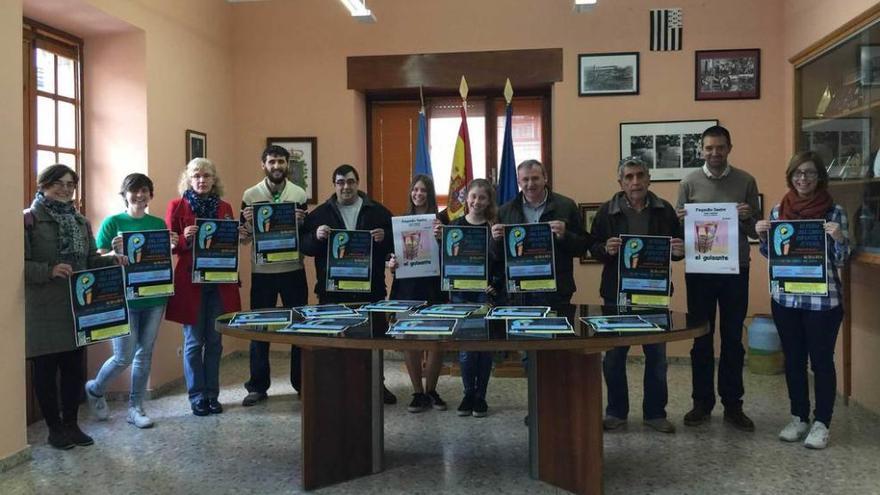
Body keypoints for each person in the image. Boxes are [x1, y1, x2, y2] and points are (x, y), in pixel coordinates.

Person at [25, 164, 124, 449]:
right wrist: (48, 270)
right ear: (44, 184)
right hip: (43, 310)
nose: (66, 189)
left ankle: (71, 424)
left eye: (71, 184)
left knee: (73, 370)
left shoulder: (81, 222)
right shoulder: (29, 220)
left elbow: (91, 259)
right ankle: (54, 429)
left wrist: (113, 259)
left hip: (78, 309)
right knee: (45, 371)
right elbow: (15, 264)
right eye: (60, 183)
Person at [756, 152, 849, 449]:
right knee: (794, 360)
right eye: (798, 173)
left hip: (823, 302)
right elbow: (771, 256)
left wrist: (839, 238)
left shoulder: (834, 212)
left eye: (809, 173)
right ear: (790, 176)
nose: (803, 179)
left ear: (819, 176)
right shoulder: (777, 210)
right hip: (786, 299)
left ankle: (822, 422)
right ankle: (799, 417)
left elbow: (842, 260)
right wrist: (761, 236)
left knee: (821, 362)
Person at [589, 157, 684, 434]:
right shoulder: (607, 211)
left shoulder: (664, 210)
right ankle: (616, 413)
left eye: (640, 175)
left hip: (654, 295)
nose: (635, 182)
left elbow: (676, 251)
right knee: (615, 358)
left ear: (649, 178)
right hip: (616, 296)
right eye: (629, 177)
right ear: (620, 182)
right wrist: (604, 248)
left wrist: (679, 252)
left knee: (657, 358)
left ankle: (655, 414)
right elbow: (592, 247)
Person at [676, 125, 760, 431]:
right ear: (701, 150)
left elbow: (754, 232)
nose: (715, 153)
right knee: (701, 338)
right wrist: (681, 222)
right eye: (709, 148)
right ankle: (701, 403)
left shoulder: (746, 181)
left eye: (720, 147)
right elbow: (678, 230)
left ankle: (733, 405)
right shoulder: (688, 183)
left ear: (729, 148)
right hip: (700, 271)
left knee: (733, 338)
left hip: (736, 270)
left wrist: (749, 216)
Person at [84, 173, 178, 429]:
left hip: (154, 297)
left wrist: (172, 245)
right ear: (125, 194)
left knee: (144, 354)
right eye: (134, 191)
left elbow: (162, 257)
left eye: (145, 191)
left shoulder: (158, 223)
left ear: (150, 194)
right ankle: (95, 389)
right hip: (123, 298)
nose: (139, 195)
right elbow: (99, 257)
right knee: (123, 357)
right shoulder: (113, 222)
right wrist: (113, 252)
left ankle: (135, 408)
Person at [301, 164, 397, 404]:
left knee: (373, 339)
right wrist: (316, 237)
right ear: (334, 185)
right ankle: (336, 386)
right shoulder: (320, 214)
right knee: (335, 341)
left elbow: (397, 242)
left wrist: (385, 237)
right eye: (341, 182)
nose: (346, 186)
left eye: (351, 181)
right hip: (333, 290)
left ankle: (377, 384)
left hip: (371, 288)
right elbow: (305, 246)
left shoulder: (378, 211)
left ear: (358, 183)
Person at [165, 158, 242, 417]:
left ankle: (212, 395)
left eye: (206, 175)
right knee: (194, 342)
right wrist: (184, 239)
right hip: (191, 283)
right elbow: (170, 246)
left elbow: (230, 243)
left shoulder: (225, 207)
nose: (202, 180)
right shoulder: (177, 206)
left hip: (219, 282)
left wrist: (239, 235)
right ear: (188, 178)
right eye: (196, 175)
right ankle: (197, 396)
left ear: (213, 179)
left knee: (216, 341)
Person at [238, 145, 309, 407]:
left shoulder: (299, 194)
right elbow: (244, 238)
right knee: (260, 329)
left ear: (287, 164)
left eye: (280, 161)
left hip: (293, 270)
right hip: (263, 271)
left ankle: (302, 383)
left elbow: (306, 237)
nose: (276, 166)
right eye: (271, 162)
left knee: (299, 328)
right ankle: (257, 386)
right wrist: (245, 226)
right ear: (263, 164)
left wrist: (301, 223)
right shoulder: (250, 194)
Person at [387, 175, 448, 413]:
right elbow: (394, 256)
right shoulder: (401, 221)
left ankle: (431, 389)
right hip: (407, 287)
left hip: (433, 287)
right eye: (415, 190)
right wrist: (391, 263)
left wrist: (443, 237)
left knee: (435, 342)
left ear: (430, 193)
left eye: (423, 190)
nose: (419, 194)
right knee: (409, 340)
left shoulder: (442, 220)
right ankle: (417, 392)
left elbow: (452, 254)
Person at [492, 159, 589, 308]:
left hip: (556, 291)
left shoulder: (566, 206)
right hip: (519, 291)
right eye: (525, 179)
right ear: (518, 181)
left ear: (545, 178)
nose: (530, 184)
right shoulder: (505, 211)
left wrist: (565, 235)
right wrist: (496, 240)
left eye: (535, 178)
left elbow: (582, 247)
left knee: (557, 331)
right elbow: (497, 256)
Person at [444, 179, 504, 418]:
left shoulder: (494, 228)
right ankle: (468, 393)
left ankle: (481, 396)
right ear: (465, 198)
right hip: (460, 295)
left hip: (485, 295)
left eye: (482, 197)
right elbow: (447, 262)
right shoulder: (455, 226)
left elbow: (502, 264)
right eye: (473, 196)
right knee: (467, 349)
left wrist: (495, 285)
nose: (477, 201)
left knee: (484, 348)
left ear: (489, 201)